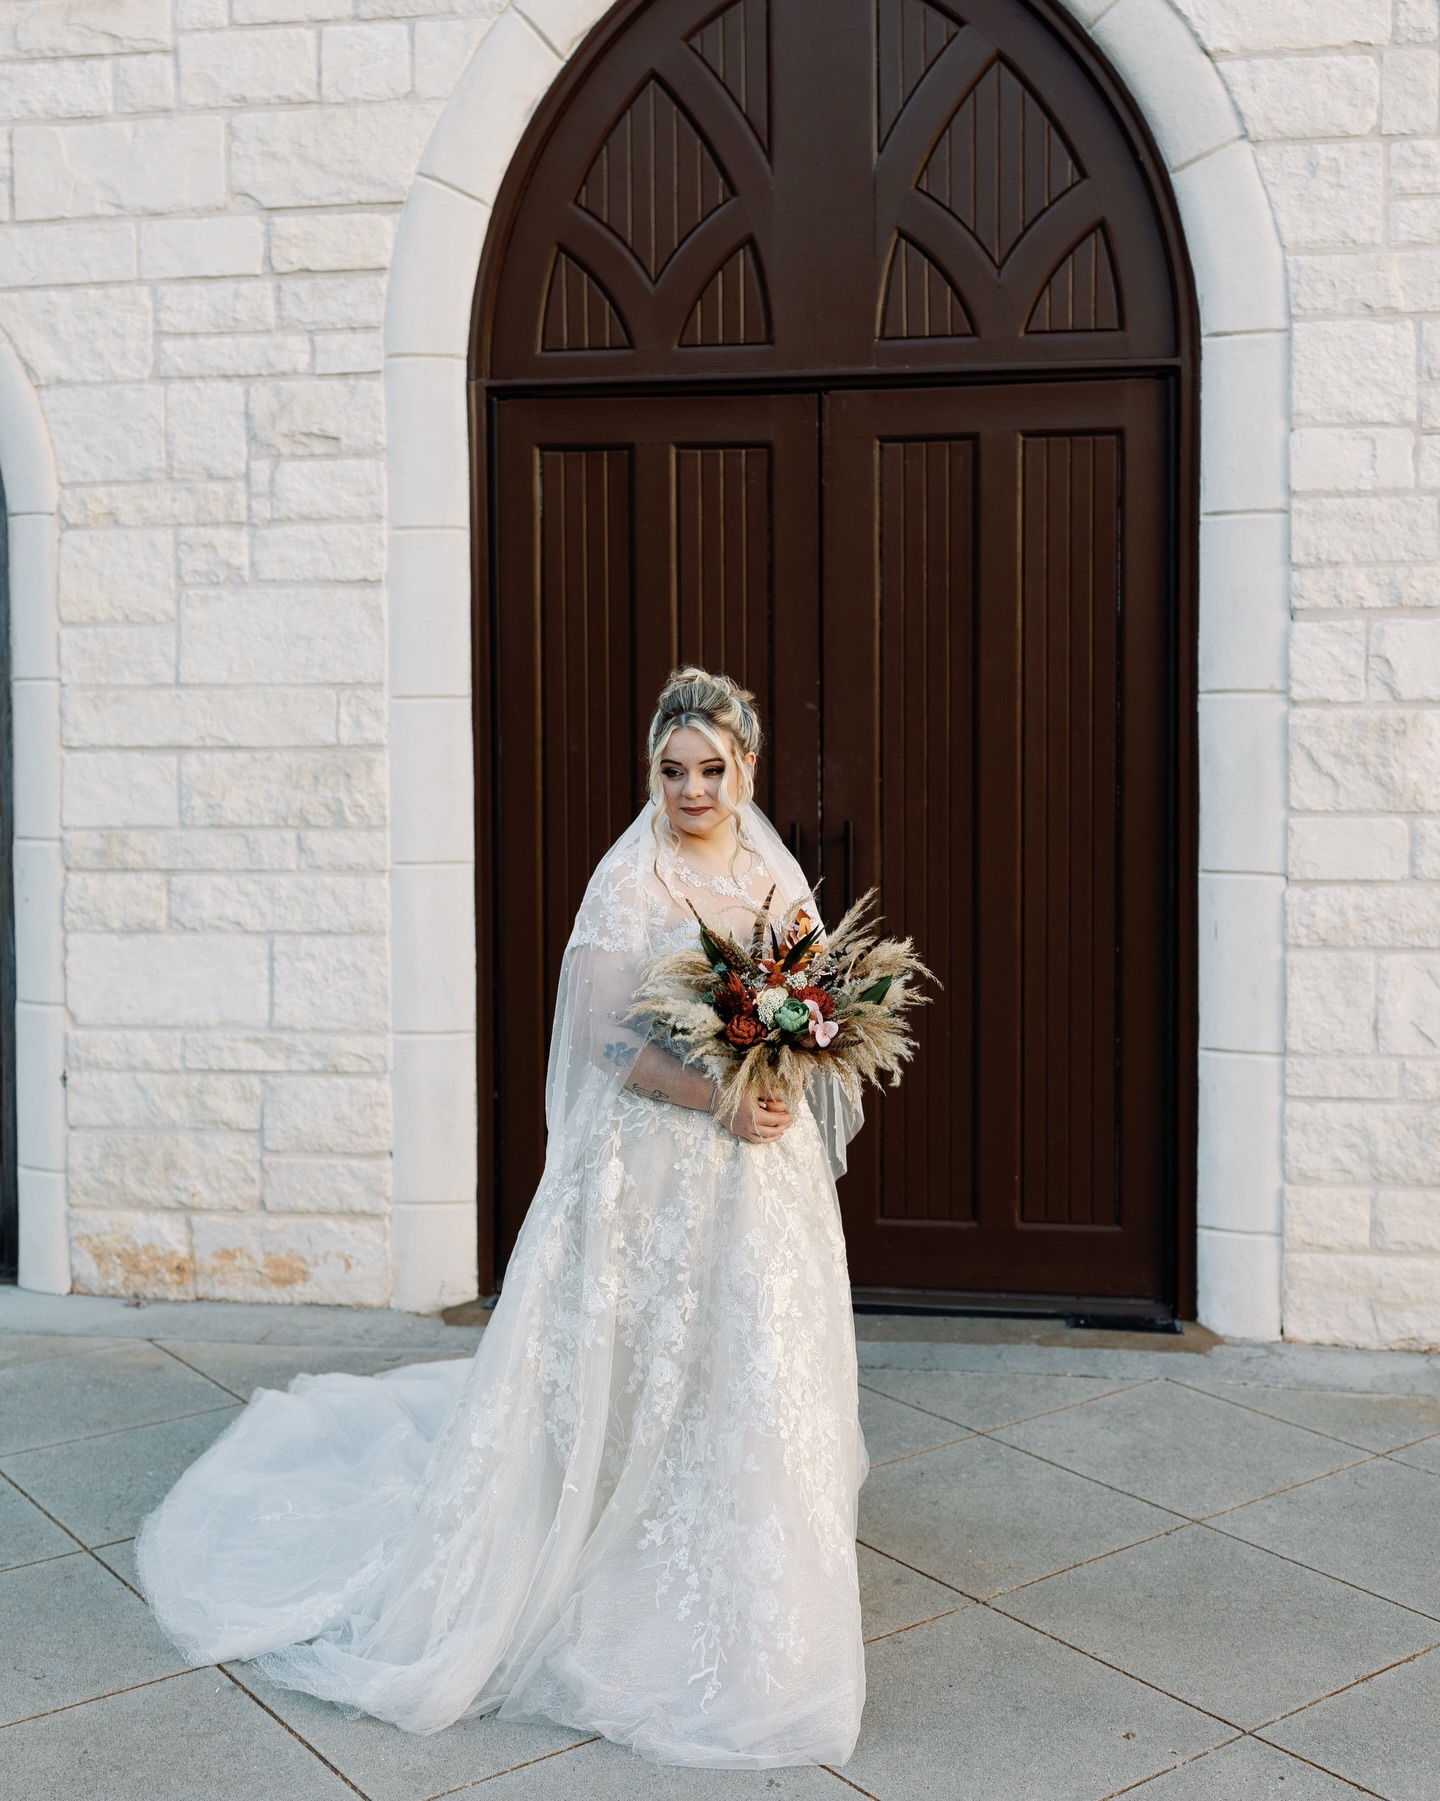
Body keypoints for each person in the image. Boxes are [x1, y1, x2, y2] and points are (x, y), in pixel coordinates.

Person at [136, 667, 868, 1769]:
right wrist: (716, 1092)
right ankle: (611, 1546)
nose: (691, 790)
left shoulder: (775, 873)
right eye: (673, 771)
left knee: (753, 1358)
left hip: (758, 1171)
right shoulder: (633, 882)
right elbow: (602, 1039)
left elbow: (816, 1006)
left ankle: (758, 1551)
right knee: (643, 1356)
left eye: (712, 770)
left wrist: (781, 1080)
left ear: (746, 768)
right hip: (657, 1166)